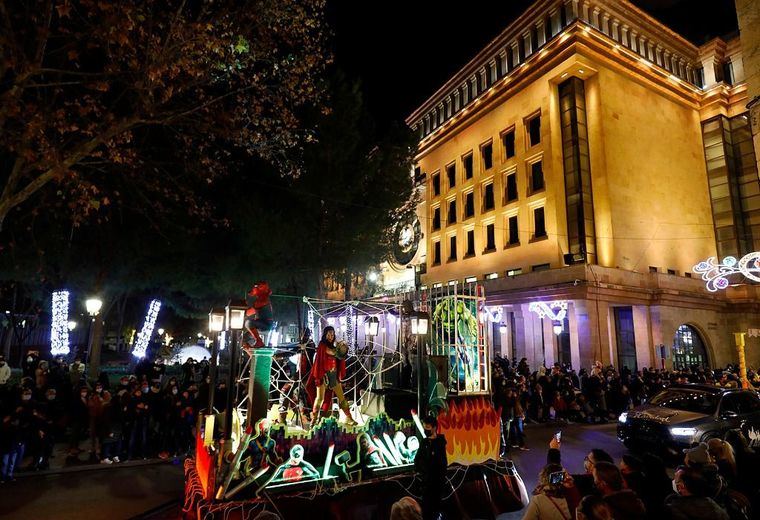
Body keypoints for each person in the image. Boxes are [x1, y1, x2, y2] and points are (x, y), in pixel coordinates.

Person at [309, 326, 356, 426]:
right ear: (325, 335)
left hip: (333, 375)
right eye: (329, 334)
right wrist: (340, 348)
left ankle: (349, 418)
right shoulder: (322, 346)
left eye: (332, 334)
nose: (331, 336)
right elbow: (332, 352)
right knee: (319, 399)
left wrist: (342, 349)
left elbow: (339, 356)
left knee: (341, 398)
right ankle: (314, 419)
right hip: (323, 375)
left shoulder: (334, 347)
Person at [664, 465, 730, 520]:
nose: (673, 480)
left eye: (675, 478)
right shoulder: (709, 501)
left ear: (682, 487)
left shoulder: (675, 507)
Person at [414, 415, 448, 520]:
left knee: (436, 509)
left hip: (437, 484)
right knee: (426, 511)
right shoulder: (424, 442)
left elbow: (442, 463)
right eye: (424, 427)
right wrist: (422, 472)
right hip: (426, 483)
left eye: (427, 427)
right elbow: (417, 459)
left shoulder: (440, 442)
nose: (425, 430)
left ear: (434, 428)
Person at [243, 281, 275, 350]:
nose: (253, 290)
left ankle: (259, 341)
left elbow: (249, 313)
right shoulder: (261, 300)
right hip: (260, 323)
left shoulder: (263, 300)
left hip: (266, 324)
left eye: (255, 288)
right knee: (244, 337)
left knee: (248, 323)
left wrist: (240, 311)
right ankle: (251, 354)